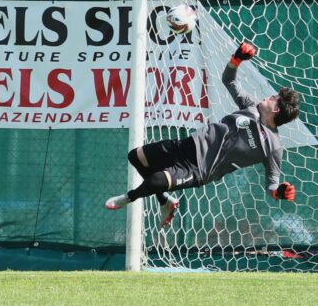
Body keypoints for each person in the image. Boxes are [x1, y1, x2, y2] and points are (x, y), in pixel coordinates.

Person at [105, 42, 299, 226]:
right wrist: (236, 59)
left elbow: (271, 184)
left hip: (200, 169)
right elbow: (229, 80)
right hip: (188, 145)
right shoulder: (251, 107)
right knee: (136, 156)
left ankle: (128, 197)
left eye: (273, 98)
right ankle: (165, 201)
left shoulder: (273, 147)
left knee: (157, 180)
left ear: (276, 110)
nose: (268, 97)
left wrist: (278, 192)